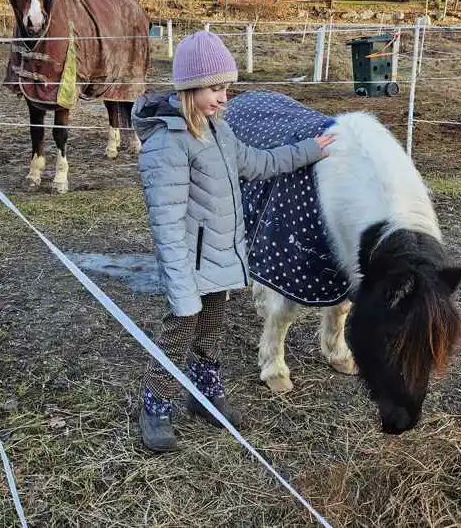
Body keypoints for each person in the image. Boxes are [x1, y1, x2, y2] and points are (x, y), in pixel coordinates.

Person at [131, 30, 334, 452]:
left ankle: (205, 394)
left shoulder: (219, 132)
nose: (224, 98)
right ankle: (154, 405)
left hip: (220, 260)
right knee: (178, 332)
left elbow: (260, 163)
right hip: (189, 266)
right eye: (215, 89)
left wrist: (310, 149)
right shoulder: (167, 144)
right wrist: (179, 285)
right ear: (189, 88)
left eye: (226, 88)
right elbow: (166, 225)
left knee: (212, 330)